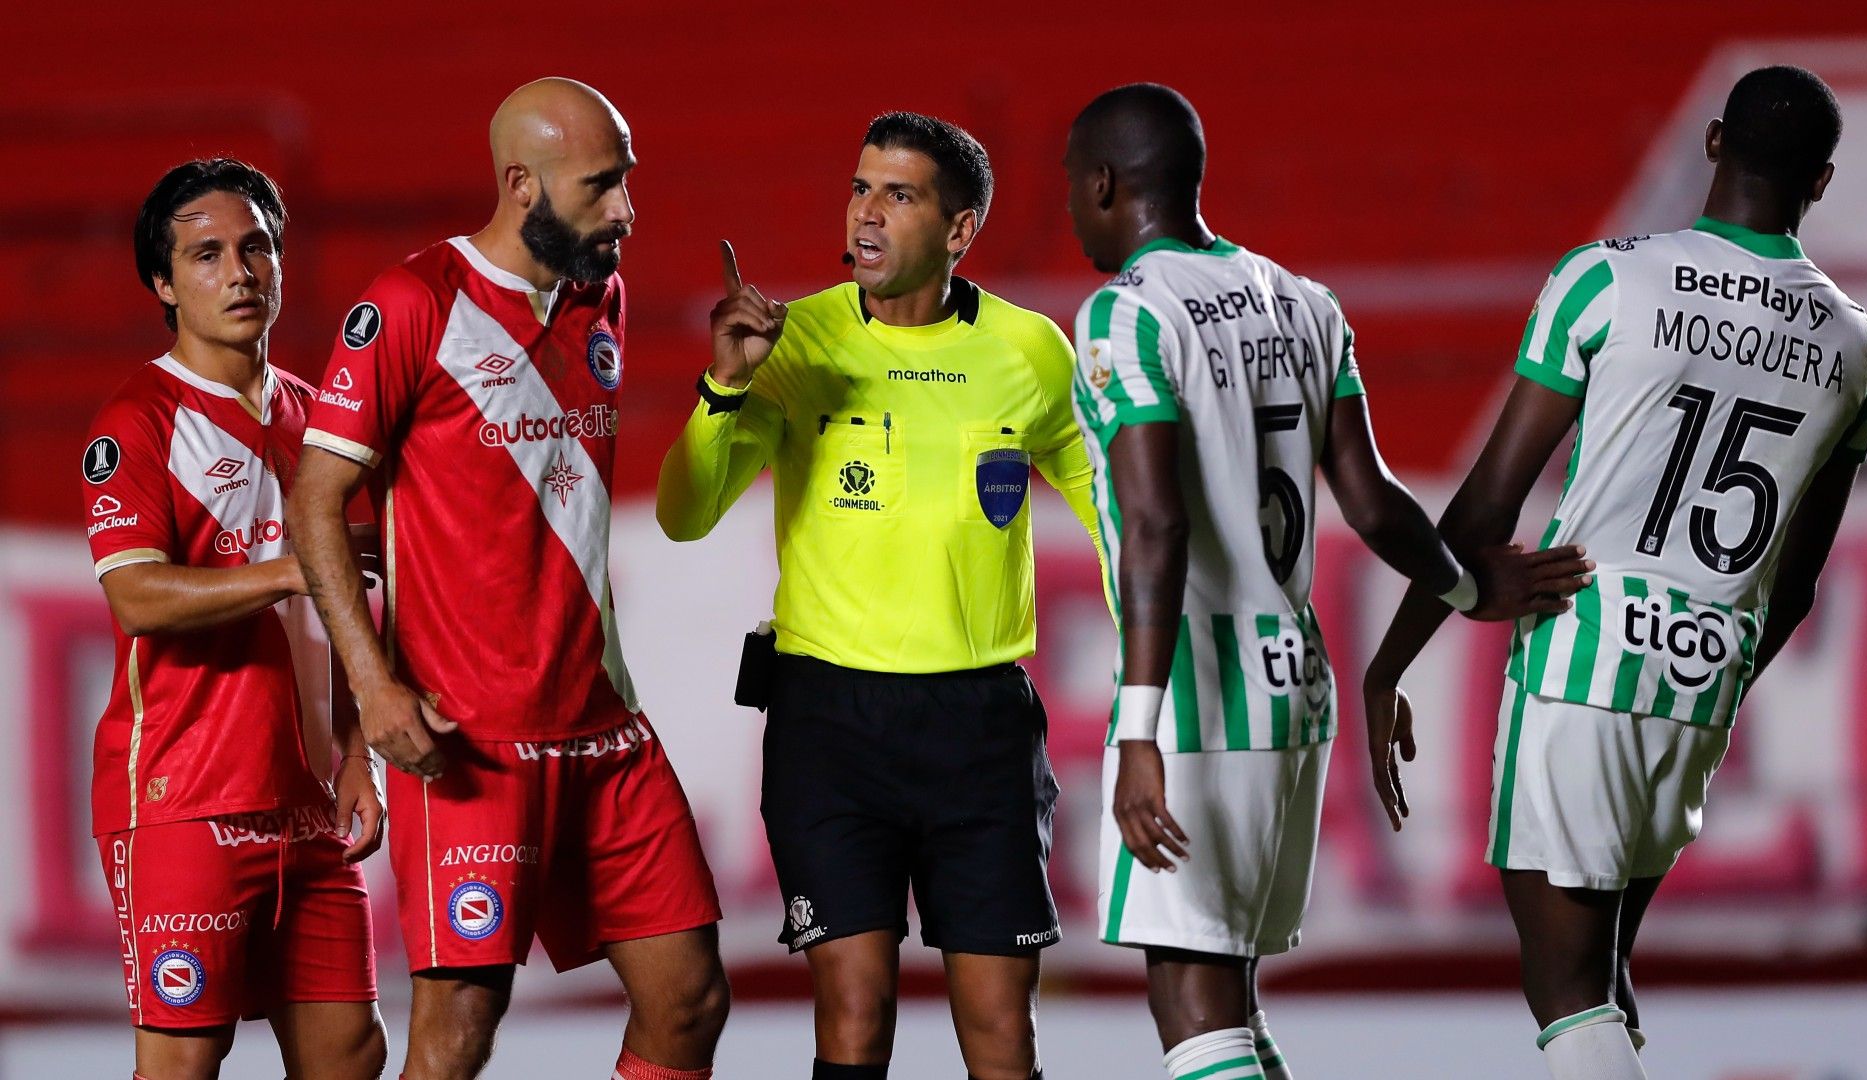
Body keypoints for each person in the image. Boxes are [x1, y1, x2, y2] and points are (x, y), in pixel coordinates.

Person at [1061, 83, 1591, 1080]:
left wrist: (1136, 729)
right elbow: (1373, 500)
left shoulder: (1125, 317)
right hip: (1297, 687)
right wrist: (1467, 590)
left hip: (1199, 696)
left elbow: (1156, 523)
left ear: (1102, 184)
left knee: (1192, 1003)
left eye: (1068, 188)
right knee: (1231, 999)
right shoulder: (1303, 301)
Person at [1363, 66, 1867, 1080]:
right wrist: (1714, 677)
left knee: (1567, 992)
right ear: (1819, 182)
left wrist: (1392, 665)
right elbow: (1798, 586)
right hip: (1703, 679)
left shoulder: (1609, 279)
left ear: (1715, 140)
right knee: (1601, 978)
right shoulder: (1850, 345)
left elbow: (1489, 501)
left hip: (1584, 658)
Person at [288, 79, 727, 1080]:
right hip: (469, 736)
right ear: (522, 184)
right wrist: (373, 688)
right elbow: (317, 499)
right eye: (601, 185)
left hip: (604, 724)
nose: (626, 209)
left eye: (627, 181)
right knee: (458, 1034)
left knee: (690, 999)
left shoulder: (598, 293)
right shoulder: (412, 304)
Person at [657, 111, 1105, 1080]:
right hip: (830, 724)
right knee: (854, 1015)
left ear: (958, 229)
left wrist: (1168, 658)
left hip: (980, 725)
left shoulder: (1030, 352)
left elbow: (1116, 518)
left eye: (899, 195)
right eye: (860, 188)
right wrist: (724, 388)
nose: (866, 212)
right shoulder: (794, 340)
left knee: (1002, 1031)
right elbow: (684, 515)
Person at [84, 158, 386, 1080]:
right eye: (207, 255)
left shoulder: (319, 419)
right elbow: (137, 596)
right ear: (164, 284)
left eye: (256, 248)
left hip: (308, 805)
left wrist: (357, 753)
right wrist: (296, 568)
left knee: (350, 1055)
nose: (241, 272)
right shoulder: (137, 423)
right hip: (184, 805)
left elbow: (341, 615)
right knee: (183, 1063)